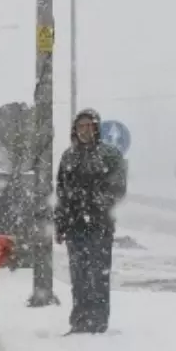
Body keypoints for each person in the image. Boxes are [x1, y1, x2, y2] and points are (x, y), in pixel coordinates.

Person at [54, 108, 127, 334]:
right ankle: (79, 320)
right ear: (75, 129)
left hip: (99, 225)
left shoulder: (109, 155)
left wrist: (93, 203)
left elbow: (117, 188)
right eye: (81, 126)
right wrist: (60, 222)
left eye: (89, 126)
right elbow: (62, 191)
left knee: (99, 274)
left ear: (96, 128)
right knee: (79, 275)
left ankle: (98, 321)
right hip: (75, 225)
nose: (85, 130)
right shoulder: (69, 156)